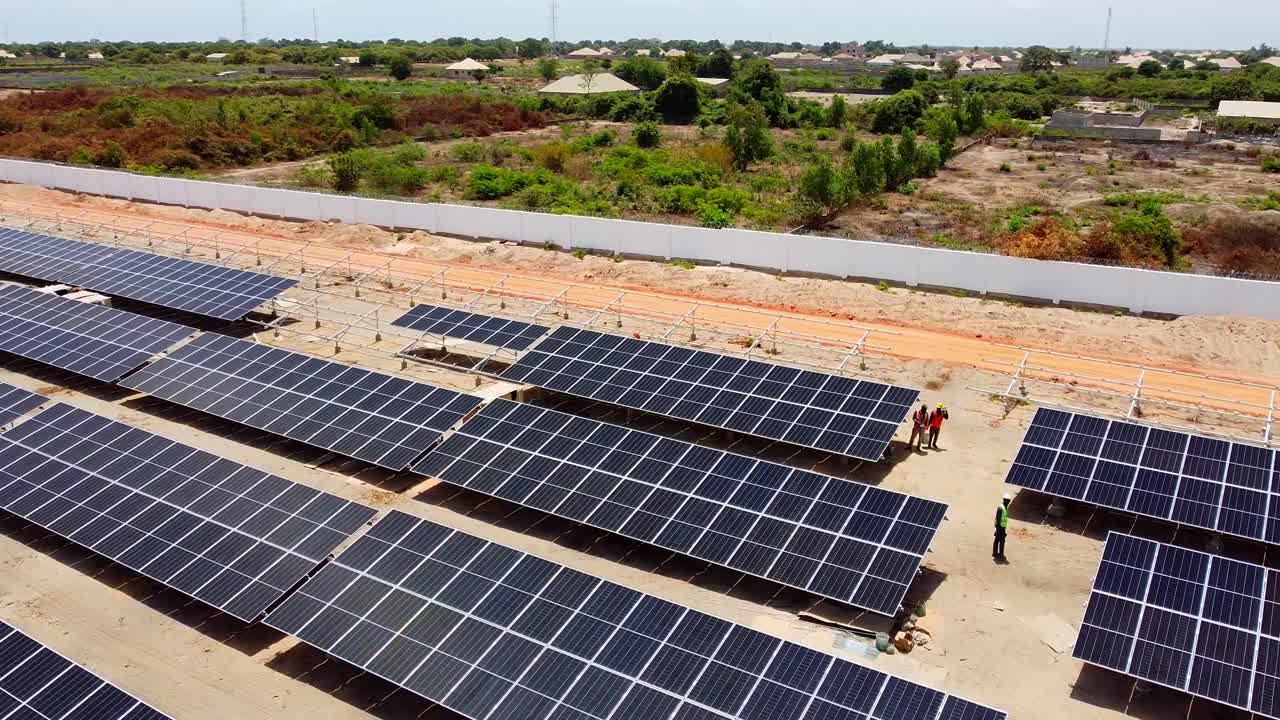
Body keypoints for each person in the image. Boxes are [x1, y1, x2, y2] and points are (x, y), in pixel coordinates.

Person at [993, 493, 1011, 560]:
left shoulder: (1004, 507)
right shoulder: (1001, 508)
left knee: (997, 540)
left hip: (1001, 527)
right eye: (1008, 500)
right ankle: (1001, 556)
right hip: (1000, 527)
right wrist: (998, 528)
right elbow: (998, 518)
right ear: (1005, 500)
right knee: (1002, 541)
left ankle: (994, 553)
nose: (1009, 502)